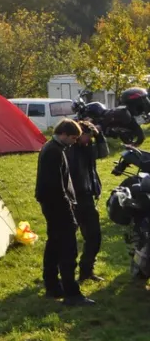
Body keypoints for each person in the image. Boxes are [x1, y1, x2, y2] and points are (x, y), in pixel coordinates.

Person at [35, 118, 94, 306]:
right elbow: (56, 186)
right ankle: (72, 293)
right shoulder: (54, 151)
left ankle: (52, 285)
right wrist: (69, 209)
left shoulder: (51, 148)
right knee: (68, 250)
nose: (74, 141)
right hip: (58, 207)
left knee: (53, 245)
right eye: (73, 138)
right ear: (64, 134)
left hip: (51, 205)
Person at [67, 120, 109, 282]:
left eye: (91, 137)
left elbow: (103, 153)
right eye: (87, 136)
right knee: (67, 239)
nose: (89, 140)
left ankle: (86, 270)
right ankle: (63, 274)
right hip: (72, 198)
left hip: (87, 197)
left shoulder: (88, 148)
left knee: (94, 236)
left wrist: (99, 136)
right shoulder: (69, 150)